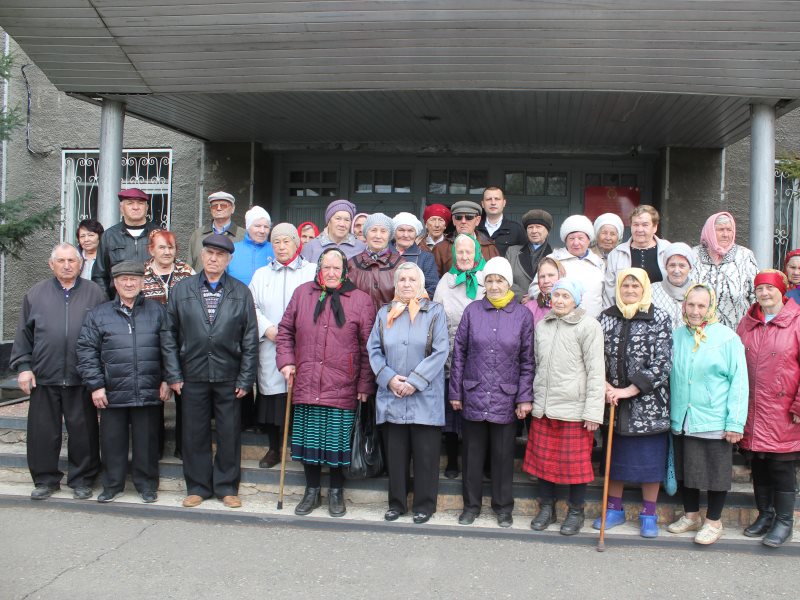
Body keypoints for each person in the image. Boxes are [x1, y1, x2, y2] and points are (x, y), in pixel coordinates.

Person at [276, 248, 376, 517]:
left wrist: (365, 385)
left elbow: (369, 348)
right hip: (307, 380)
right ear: (319, 268)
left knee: (337, 444)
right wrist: (286, 361)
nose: (331, 273)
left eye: (337, 268)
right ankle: (311, 492)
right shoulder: (302, 294)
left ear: (345, 271)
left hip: (343, 383)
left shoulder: (360, 300)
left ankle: (335, 492)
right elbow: (285, 330)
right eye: (327, 267)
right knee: (310, 441)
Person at [161, 234, 259, 510]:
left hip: (229, 375)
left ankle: (227, 487)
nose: (214, 259)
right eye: (210, 254)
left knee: (229, 433)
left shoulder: (240, 292)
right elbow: (168, 333)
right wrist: (174, 374)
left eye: (220, 255)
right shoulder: (183, 290)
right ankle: (198, 487)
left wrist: (246, 378)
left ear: (229, 260)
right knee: (194, 433)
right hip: (192, 373)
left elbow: (250, 338)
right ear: (202, 256)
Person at [10, 243, 106, 500]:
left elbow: (104, 334)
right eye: (61, 261)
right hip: (44, 376)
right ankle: (45, 480)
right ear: (51, 265)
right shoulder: (35, 294)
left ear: (80, 264)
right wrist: (24, 367)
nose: (66, 265)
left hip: (81, 377)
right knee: (43, 432)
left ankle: (82, 479)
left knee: (83, 432)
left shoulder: (94, 293)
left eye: (71, 261)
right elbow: (23, 334)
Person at [450, 257, 534, 527]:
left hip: (506, 397)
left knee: (502, 456)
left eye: (500, 280)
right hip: (473, 392)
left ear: (508, 283)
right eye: (490, 280)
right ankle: (471, 506)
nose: (495, 285)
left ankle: (503, 507)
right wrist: (455, 393)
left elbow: (527, 359)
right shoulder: (472, 311)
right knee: (472, 456)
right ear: (484, 283)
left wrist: (524, 397)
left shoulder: (522, 315)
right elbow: (459, 354)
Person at [76, 261, 169, 504]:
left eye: (134, 279)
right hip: (112, 389)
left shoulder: (158, 311)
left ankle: (147, 485)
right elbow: (86, 351)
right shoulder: (100, 314)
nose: (129, 283)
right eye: (123, 279)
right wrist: (96, 385)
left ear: (142, 283)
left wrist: (167, 379)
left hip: (148, 387)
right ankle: (112, 485)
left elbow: (170, 349)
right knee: (112, 442)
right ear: (115, 283)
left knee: (147, 443)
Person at [367, 263, 449, 524]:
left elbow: (440, 351)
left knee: (425, 456)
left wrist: (414, 381)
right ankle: (397, 503)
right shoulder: (384, 313)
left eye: (412, 279)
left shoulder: (435, 312)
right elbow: (374, 350)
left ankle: (424, 505)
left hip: (424, 397)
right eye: (401, 279)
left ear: (420, 283)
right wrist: (389, 379)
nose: (406, 284)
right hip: (393, 397)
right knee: (396, 455)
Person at [594, 268, 672, 538]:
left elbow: (663, 362)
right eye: (625, 285)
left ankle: (649, 512)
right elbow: (593, 355)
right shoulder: (606, 317)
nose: (629, 290)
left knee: (649, 462)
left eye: (634, 285)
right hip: (611, 401)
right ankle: (613, 509)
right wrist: (604, 384)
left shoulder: (659, 317)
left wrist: (629, 389)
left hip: (649, 406)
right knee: (615, 459)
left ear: (644, 288)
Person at [667, 283, 748, 545]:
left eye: (701, 305)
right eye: (690, 305)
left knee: (715, 473)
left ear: (711, 307)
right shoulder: (678, 336)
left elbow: (739, 382)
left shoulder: (727, 338)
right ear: (684, 306)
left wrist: (735, 422)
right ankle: (691, 516)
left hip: (713, 417)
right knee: (686, 470)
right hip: (684, 416)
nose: (695, 311)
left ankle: (714, 521)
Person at [524, 277, 605, 535]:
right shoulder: (542, 325)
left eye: (565, 296)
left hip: (575, 408)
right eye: (556, 295)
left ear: (576, 300)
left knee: (576, 466)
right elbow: (535, 364)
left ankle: (576, 511)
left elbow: (596, 371)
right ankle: (546, 508)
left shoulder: (588, 326)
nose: (559, 300)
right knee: (544, 463)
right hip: (545, 406)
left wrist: (593, 411)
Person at [736, 269, 800, 548]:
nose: (764, 293)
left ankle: (784, 521)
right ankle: (765, 514)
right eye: (759, 288)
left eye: (770, 288)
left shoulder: (796, 322)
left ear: (782, 290)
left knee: (781, 467)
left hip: (783, 409)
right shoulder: (747, 323)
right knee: (758, 464)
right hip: (753, 407)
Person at [249, 223, 316, 468]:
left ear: (297, 243)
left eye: (286, 241)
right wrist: (268, 328)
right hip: (271, 344)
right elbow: (251, 306)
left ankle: (301, 449)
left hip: (305, 346)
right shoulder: (261, 275)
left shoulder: (311, 272)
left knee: (303, 399)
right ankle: (275, 449)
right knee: (273, 398)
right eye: (276, 241)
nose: (281, 246)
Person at [433, 234, 486, 478]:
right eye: (460, 252)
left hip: (481, 357)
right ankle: (452, 460)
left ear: (477, 253)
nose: (465, 256)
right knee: (452, 410)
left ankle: (478, 462)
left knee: (478, 410)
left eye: (469, 252)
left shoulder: (488, 279)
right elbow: (436, 317)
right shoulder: (447, 280)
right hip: (451, 353)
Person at [141, 229, 195, 459]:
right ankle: (155, 448)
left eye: (171, 247)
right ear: (151, 250)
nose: (167, 252)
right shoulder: (141, 274)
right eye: (162, 247)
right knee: (155, 397)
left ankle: (184, 448)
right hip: (150, 343)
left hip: (182, 343)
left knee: (184, 395)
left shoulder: (187, 272)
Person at [691, 211, 758, 330]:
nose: (725, 234)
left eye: (729, 230)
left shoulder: (744, 256)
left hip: (737, 332)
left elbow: (756, 294)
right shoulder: (693, 255)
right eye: (720, 229)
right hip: (699, 332)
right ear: (710, 231)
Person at [92, 187, 160, 296]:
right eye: (130, 203)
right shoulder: (110, 236)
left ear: (147, 207)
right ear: (121, 208)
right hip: (118, 303)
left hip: (153, 302)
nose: (135, 207)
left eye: (140, 203)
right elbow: (99, 275)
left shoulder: (158, 234)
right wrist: (107, 304)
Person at [603, 205, 670, 308]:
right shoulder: (617, 254)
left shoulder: (668, 250)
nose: (639, 229)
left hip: (662, 314)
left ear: (655, 227)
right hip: (626, 316)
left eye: (645, 225)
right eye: (636, 224)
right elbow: (609, 291)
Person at [547, 215, 605, 317]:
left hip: (594, 324)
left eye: (581, 238)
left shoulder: (598, 263)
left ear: (588, 240)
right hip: (561, 323)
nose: (576, 242)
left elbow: (606, 295)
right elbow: (536, 289)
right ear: (565, 240)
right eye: (571, 238)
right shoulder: (553, 260)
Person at [347, 213, 405, 310]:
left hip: (391, 322)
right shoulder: (352, 263)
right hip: (359, 323)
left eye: (383, 231)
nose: (378, 236)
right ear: (366, 234)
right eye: (373, 230)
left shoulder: (400, 264)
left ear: (389, 236)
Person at [432, 200, 499, 276]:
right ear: (453, 220)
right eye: (458, 217)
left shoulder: (489, 248)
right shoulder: (440, 249)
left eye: (469, 217)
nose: (463, 221)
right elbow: (434, 282)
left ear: (477, 220)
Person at [187, 191, 245, 273]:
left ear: (232, 209)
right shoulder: (198, 234)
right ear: (211, 209)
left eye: (223, 205)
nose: (218, 208)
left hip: (232, 285)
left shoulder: (243, 236)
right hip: (200, 285)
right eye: (214, 206)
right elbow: (189, 267)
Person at [506, 209, 554, 302]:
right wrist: (522, 297)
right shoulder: (512, 252)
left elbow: (559, 284)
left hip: (543, 306)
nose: (534, 231)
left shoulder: (556, 255)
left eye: (538, 227)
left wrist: (535, 296)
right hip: (517, 305)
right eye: (530, 227)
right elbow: (505, 278)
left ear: (547, 231)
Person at [300, 199, 366, 263]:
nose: (342, 224)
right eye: (338, 219)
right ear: (329, 222)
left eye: (347, 220)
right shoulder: (311, 247)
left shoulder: (361, 248)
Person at [392, 211, 439, 297]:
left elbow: (432, 287)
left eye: (410, 231)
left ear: (416, 234)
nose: (405, 235)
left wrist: (413, 304)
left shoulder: (426, 258)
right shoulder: (384, 255)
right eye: (401, 230)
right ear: (394, 232)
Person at [651, 242, 696, 329]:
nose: (676, 270)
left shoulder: (698, 291)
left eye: (682, 266)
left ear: (690, 267)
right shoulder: (651, 290)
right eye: (672, 265)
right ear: (665, 266)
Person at [227, 205, 274, 286]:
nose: (262, 231)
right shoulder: (232, 249)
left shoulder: (275, 250)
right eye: (257, 226)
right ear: (248, 227)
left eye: (266, 227)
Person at [476, 186, 526, 257]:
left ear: (504, 203)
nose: (493, 203)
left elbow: (524, 257)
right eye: (489, 199)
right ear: (483, 204)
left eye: (497, 199)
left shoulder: (516, 230)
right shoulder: (475, 228)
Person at [525, 257, 566, 328]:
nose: (546, 280)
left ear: (561, 276)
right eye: (542, 276)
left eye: (551, 275)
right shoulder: (529, 308)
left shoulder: (572, 307)